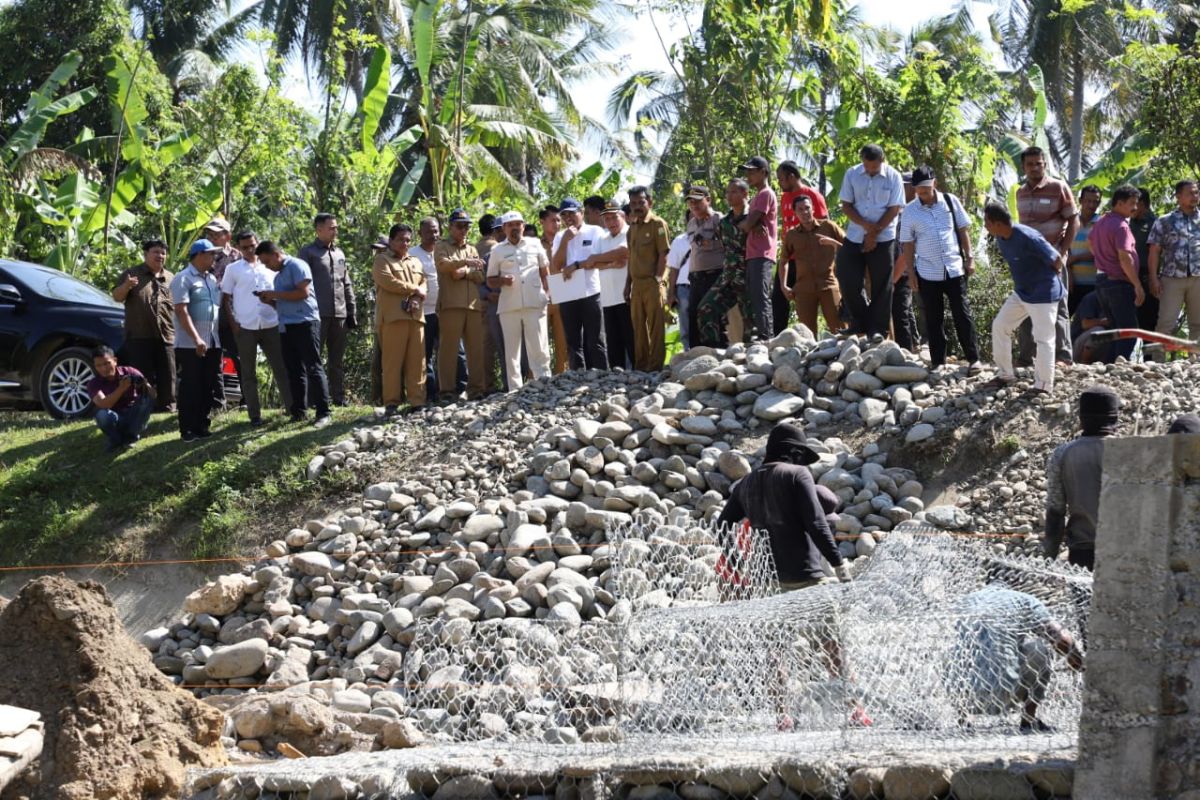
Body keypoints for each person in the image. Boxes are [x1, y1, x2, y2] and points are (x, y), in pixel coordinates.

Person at [717, 423, 852, 588]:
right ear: (796, 453)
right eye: (803, 460)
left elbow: (721, 526)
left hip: (770, 581)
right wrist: (839, 566)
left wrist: (738, 566)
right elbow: (816, 522)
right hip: (806, 577)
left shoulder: (745, 483)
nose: (803, 465)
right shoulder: (797, 474)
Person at [948, 582, 1084, 733]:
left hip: (967, 694)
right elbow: (1061, 638)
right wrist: (1076, 660)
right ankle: (1028, 719)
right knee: (1038, 648)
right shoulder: (1025, 600)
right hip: (1006, 690)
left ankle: (964, 718)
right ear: (1009, 588)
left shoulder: (966, 601)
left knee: (953, 651)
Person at [897, 166, 982, 373]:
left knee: (962, 313)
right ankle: (938, 361)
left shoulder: (951, 201)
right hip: (927, 271)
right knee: (933, 318)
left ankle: (974, 359)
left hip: (954, 268)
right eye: (919, 190)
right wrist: (911, 273)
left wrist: (969, 258)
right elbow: (907, 244)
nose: (924, 194)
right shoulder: (910, 211)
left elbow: (963, 231)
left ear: (934, 183)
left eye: (927, 189)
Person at [984, 203, 1067, 393]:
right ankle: (1005, 375)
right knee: (1000, 326)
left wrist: (1047, 282)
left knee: (1043, 338)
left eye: (987, 222)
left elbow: (1056, 260)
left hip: (1043, 294)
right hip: (1022, 293)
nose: (985, 226)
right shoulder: (1000, 238)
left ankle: (1044, 385)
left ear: (997, 223)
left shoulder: (1029, 236)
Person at [220, 231, 293, 426]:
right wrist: (233, 323)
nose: (250, 250)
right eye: (245, 247)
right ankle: (255, 415)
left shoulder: (270, 265)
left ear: (258, 243)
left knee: (281, 368)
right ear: (238, 248)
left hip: (271, 323)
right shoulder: (233, 269)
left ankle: (291, 409)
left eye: (252, 245)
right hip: (245, 325)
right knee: (248, 372)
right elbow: (225, 298)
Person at [256, 241, 332, 428]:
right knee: (294, 371)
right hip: (286, 326)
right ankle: (299, 412)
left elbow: (303, 293)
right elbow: (282, 303)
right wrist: (269, 301)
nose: (267, 266)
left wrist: (274, 294)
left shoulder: (297, 265)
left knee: (313, 367)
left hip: (305, 323)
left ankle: (324, 412)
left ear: (275, 254)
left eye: (267, 262)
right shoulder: (278, 276)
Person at [1044, 385, 1120, 569]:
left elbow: (1055, 512)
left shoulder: (1063, 454)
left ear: (1081, 419)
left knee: (1083, 599)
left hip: (1082, 554)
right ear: (1115, 418)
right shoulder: (1128, 452)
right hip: (1123, 551)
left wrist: (1049, 558)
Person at [1015, 146, 1076, 365]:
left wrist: (1062, 252)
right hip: (1028, 261)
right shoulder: (1020, 192)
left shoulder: (1058, 187)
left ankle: (1063, 357)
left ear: (1045, 164)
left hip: (1052, 260)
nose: (1034, 168)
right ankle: (1025, 358)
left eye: (1038, 164)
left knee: (1058, 307)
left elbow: (1073, 221)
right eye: (1030, 164)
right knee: (1025, 307)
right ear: (1023, 167)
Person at [837, 144, 905, 337]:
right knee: (846, 275)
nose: (870, 170)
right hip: (855, 234)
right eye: (867, 166)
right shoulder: (852, 174)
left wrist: (874, 234)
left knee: (882, 284)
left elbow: (894, 209)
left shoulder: (893, 177)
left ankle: (878, 329)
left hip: (884, 237)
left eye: (874, 167)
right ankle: (860, 322)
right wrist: (867, 229)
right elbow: (846, 205)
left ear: (881, 161)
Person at [487, 210, 552, 391]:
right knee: (512, 351)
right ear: (504, 228)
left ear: (523, 226)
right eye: (510, 225)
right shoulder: (497, 250)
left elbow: (544, 272)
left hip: (535, 302)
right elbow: (490, 279)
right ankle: (515, 389)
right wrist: (503, 281)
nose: (515, 228)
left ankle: (544, 383)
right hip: (509, 306)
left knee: (539, 345)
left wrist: (546, 294)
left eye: (518, 224)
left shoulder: (535, 244)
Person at [298, 213, 357, 406]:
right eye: (331, 227)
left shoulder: (339, 253)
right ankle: (312, 401)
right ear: (319, 229)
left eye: (336, 227)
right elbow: (301, 284)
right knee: (314, 359)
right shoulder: (308, 253)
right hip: (317, 314)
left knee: (336, 361)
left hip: (339, 314)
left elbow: (346, 283)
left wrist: (351, 311)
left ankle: (338, 398)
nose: (335, 231)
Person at [111, 239, 176, 412]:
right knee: (141, 375)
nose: (160, 256)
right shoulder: (132, 273)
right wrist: (126, 286)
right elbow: (117, 297)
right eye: (156, 252)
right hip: (139, 335)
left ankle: (167, 406)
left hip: (166, 335)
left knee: (168, 374)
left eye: (163, 253)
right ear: (146, 254)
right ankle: (143, 406)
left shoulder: (171, 278)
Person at [170, 239, 223, 441]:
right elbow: (181, 311)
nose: (214, 258)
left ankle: (202, 425)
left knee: (208, 385)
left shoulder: (210, 279)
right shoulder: (183, 279)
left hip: (212, 341)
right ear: (199, 255)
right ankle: (187, 429)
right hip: (190, 344)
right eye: (211, 254)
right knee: (191, 386)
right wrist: (197, 339)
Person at [373, 223, 427, 415]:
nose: (404, 243)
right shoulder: (382, 260)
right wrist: (414, 290)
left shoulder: (416, 261)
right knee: (392, 363)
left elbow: (424, 282)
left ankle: (417, 402)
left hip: (415, 317)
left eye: (407, 240)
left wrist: (416, 296)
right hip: (393, 319)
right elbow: (388, 281)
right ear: (391, 241)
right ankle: (392, 403)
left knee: (417, 362)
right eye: (400, 240)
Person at [435, 209, 488, 399]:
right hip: (451, 304)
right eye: (459, 226)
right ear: (450, 227)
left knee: (476, 348)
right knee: (449, 349)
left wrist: (464, 271)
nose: (463, 230)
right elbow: (443, 265)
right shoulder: (441, 246)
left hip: (473, 305)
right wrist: (466, 263)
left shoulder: (472, 249)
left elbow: (480, 275)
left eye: (466, 226)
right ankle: (447, 390)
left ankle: (476, 389)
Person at [550, 198, 608, 369]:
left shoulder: (595, 231)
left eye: (572, 213)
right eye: (564, 215)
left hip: (591, 292)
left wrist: (576, 266)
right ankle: (578, 377)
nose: (568, 217)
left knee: (595, 339)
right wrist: (565, 241)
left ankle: (602, 376)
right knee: (573, 341)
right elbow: (556, 266)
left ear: (581, 213)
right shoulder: (561, 236)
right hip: (568, 294)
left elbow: (601, 259)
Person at [697, 179, 756, 347]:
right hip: (728, 275)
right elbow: (725, 248)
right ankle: (715, 349)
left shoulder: (753, 218)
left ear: (745, 194)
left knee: (751, 320)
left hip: (747, 274)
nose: (729, 196)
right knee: (706, 307)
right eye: (727, 192)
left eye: (734, 192)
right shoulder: (724, 222)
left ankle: (754, 355)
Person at [1089, 185, 1144, 362]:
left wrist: (1104, 258)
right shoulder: (1121, 226)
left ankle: (1110, 366)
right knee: (1128, 330)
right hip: (1118, 282)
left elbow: (1091, 243)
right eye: (1132, 203)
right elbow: (1124, 257)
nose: (1135, 208)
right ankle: (1119, 366)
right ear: (1120, 203)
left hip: (1102, 280)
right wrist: (1137, 285)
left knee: (1115, 329)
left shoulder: (1101, 222)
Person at [779, 193, 844, 336]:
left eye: (807, 208)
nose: (805, 212)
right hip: (804, 289)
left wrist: (833, 243)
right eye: (800, 210)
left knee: (840, 329)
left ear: (813, 209)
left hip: (828, 284)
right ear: (795, 213)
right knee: (807, 336)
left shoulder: (828, 226)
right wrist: (783, 285)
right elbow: (783, 260)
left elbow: (850, 247)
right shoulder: (792, 235)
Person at [776, 161, 827, 334]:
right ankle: (778, 339)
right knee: (778, 297)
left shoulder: (812, 195)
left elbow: (824, 225)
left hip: (808, 259)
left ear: (791, 177)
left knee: (817, 300)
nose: (779, 183)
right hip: (788, 256)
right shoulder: (784, 197)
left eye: (781, 179)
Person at [624, 186, 671, 370]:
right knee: (638, 328)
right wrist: (627, 285)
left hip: (652, 282)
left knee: (656, 328)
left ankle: (656, 367)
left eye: (641, 202)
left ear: (649, 202)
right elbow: (631, 259)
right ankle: (641, 366)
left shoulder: (658, 224)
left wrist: (658, 279)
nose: (637, 206)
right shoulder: (632, 229)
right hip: (636, 285)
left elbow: (664, 254)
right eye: (633, 203)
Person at [1148, 179, 1200, 346]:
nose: (1194, 196)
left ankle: (1196, 364)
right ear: (1178, 197)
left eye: (1196, 192)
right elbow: (1154, 251)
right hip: (1171, 279)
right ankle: (1158, 365)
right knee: (1166, 324)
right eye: (1190, 193)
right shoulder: (1164, 221)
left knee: (1198, 324)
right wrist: (1153, 278)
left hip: (1198, 279)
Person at [586, 201, 634, 369]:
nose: (611, 222)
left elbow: (624, 252)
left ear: (622, 216)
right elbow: (592, 262)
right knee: (613, 341)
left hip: (627, 295)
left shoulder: (630, 232)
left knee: (631, 337)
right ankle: (617, 377)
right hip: (607, 298)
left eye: (614, 217)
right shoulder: (601, 238)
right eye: (607, 219)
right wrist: (612, 263)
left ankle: (638, 373)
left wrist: (601, 258)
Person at [738, 157, 779, 339]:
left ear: (764, 172)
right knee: (754, 295)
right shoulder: (758, 195)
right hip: (754, 253)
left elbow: (746, 224)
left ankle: (767, 337)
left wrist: (749, 223)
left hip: (762, 252)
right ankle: (762, 334)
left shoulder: (765, 194)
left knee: (761, 296)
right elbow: (748, 223)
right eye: (747, 171)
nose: (748, 175)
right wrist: (750, 223)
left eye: (752, 171)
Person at [87, 346, 155, 452]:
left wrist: (144, 384)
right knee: (102, 415)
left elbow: (153, 395)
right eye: (99, 365)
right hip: (115, 418)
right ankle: (116, 440)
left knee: (145, 399)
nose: (103, 368)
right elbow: (104, 404)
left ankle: (130, 438)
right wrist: (121, 388)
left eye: (106, 363)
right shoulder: (94, 383)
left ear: (115, 361)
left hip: (134, 415)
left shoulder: (129, 371)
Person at [684, 186, 727, 346]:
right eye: (690, 202)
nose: (693, 205)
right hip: (696, 276)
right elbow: (696, 244)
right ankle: (696, 352)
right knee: (693, 313)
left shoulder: (719, 220)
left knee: (712, 312)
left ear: (708, 200)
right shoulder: (691, 223)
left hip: (714, 274)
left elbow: (726, 245)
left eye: (697, 201)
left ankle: (719, 350)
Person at [204, 217, 239, 408]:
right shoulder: (202, 256)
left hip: (232, 312)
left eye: (216, 234)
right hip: (209, 312)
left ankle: (245, 400)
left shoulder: (237, 256)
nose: (212, 238)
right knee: (213, 357)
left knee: (237, 355)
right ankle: (218, 401)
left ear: (227, 236)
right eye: (210, 234)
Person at [890, 172, 923, 352]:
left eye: (904, 185)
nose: (901, 188)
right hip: (900, 266)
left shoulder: (917, 210)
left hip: (908, 268)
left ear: (912, 187)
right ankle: (914, 345)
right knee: (905, 307)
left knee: (900, 309)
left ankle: (905, 350)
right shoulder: (900, 210)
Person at [480, 215, 507, 393]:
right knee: (495, 345)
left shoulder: (523, 250)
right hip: (492, 304)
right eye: (497, 230)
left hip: (512, 304)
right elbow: (479, 280)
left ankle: (510, 383)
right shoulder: (490, 252)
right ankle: (498, 385)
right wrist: (488, 295)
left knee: (508, 345)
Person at [1066, 186, 1102, 315]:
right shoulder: (1069, 222)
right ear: (1080, 201)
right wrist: (1068, 271)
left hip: (1093, 283)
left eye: (1095, 201)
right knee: (1063, 320)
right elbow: (1064, 249)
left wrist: (1075, 259)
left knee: (1088, 321)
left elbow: (1101, 252)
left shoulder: (1102, 224)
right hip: (1070, 282)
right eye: (1088, 201)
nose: (1091, 205)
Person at [1131, 187, 1159, 331]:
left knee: (1148, 321)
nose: (1131, 207)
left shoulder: (1155, 224)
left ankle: (1149, 354)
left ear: (1141, 204)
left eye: (1133, 203)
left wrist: (1154, 278)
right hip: (1130, 277)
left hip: (1148, 277)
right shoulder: (1128, 222)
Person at [1069, 291, 1112, 365]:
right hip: (1076, 346)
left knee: (1113, 335)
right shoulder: (1092, 298)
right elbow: (1085, 324)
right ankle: (1084, 362)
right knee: (1100, 332)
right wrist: (1104, 321)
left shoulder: (1115, 301)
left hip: (1099, 350)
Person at [666, 228, 692, 350]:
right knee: (685, 321)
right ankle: (687, 351)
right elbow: (673, 268)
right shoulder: (679, 240)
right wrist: (671, 292)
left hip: (705, 284)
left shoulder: (713, 235)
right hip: (684, 286)